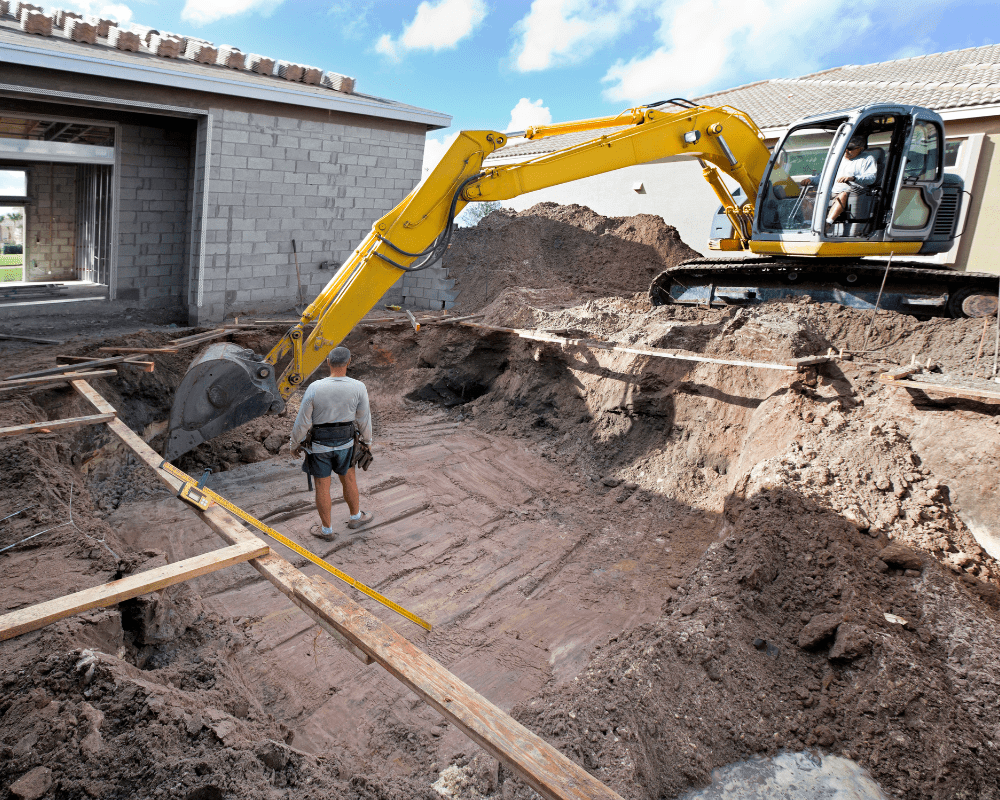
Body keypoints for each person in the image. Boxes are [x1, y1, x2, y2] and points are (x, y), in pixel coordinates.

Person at [290, 346, 374, 541]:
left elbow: (302, 421)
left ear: (328, 362)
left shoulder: (315, 387)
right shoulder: (358, 387)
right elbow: (364, 419)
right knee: (349, 479)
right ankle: (355, 517)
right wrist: (367, 442)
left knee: (322, 486)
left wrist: (294, 444)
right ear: (349, 362)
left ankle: (327, 531)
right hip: (346, 442)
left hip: (319, 445)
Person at [800, 134, 878, 228]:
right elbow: (825, 176)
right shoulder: (838, 159)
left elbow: (871, 178)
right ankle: (808, 223)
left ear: (860, 148)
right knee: (808, 196)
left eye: (850, 148)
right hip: (831, 191)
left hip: (854, 191)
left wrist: (853, 178)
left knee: (843, 194)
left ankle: (827, 224)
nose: (846, 151)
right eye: (845, 148)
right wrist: (810, 180)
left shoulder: (867, 159)